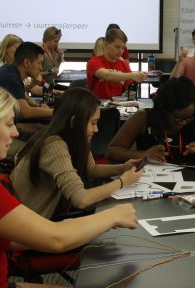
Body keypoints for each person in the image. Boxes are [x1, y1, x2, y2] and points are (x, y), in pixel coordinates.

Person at [0, 81, 137, 287]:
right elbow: (55, 239)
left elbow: (13, 240)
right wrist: (112, 216)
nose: (16, 132)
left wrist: (87, 228)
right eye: (9, 124)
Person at [10, 87, 143, 219]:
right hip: (25, 229)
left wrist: (122, 168)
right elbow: (80, 199)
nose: (96, 129)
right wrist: (122, 182)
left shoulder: (72, 138)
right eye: (93, 123)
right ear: (74, 122)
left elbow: (91, 169)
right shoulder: (53, 145)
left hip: (37, 221)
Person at [107, 76, 195, 162]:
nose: (183, 122)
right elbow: (112, 151)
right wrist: (143, 155)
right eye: (177, 118)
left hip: (190, 181)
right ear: (164, 110)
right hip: (150, 181)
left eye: (188, 118)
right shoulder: (143, 118)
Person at [0, 42, 53, 119]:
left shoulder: (10, 71)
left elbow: (25, 99)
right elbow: (26, 113)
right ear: (26, 63)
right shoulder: (11, 78)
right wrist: (55, 112)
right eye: (39, 63)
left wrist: (39, 106)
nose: (41, 68)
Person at [86, 28, 146, 100]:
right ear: (107, 45)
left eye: (123, 48)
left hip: (119, 106)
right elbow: (107, 75)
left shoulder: (124, 64)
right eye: (117, 47)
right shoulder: (94, 61)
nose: (120, 51)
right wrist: (133, 75)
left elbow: (128, 87)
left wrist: (128, 92)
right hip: (98, 106)